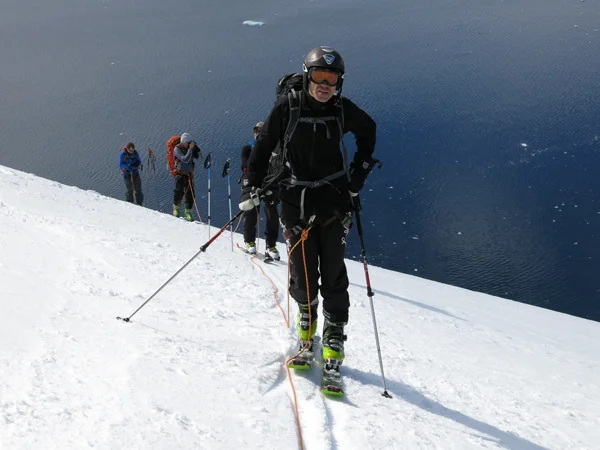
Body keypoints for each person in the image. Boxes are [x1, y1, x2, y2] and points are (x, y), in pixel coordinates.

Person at [239, 47, 377, 367]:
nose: (324, 85)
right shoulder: (288, 106)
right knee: (302, 272)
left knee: (333, 271)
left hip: (333, 203)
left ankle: (334, 331)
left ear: (339, 82)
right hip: (295, 203)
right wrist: (250, 185)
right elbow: (263, 147)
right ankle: (307, 314)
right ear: (307, 76)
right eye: (318, 76)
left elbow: (368, 130)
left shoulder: (342, 110)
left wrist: (358, 175)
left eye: (332, 78)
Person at [240, 122, 281, 260]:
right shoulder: (248, 148)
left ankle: (271, 245)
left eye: (261, 131)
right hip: (253, 183)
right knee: (251, 211)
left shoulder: (274, 150)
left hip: (270, 183)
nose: (258, 133)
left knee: (272, 214)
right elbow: (245, 166)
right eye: (256, 130)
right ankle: (249, 241)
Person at [172, 132, 201, 221]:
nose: (189, 144)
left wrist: (196, 149)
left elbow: (198, 156)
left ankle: (188, 211)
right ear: (184, 142)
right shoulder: (177, 149)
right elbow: (185, 159)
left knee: (190, 193)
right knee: (179, 191)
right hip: (180, 173)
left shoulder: (189, 148)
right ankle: (176, 208)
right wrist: (190, 149)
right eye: (188, 143)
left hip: (189, 174)